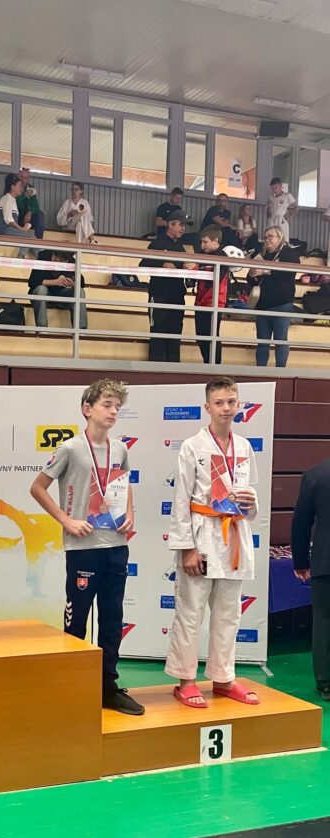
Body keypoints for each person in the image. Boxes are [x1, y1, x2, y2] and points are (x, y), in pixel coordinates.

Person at [29, 378, 143, 716]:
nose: (113, 411)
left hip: (116, 545)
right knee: (76, 619)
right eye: (107, 405)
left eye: (117, 407)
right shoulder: (71, 448)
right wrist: (66, 520)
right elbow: (37, 488)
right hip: (84, 548)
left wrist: (130, 513)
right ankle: (73, 685)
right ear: (87, 409)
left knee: (112, 619)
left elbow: (125, 484)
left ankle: (107, 686)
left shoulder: (120, 449)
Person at [164, 376, 259, 709]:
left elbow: (249, 499)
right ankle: (186, 680)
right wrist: (187, 548)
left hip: (233, 538)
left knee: (228, 614)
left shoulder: (244, 447)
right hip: (202, 535)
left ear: (239, 404)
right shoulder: (193, 446)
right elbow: (181, 499)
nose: (226, 408)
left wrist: (251, 503)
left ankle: (223, 678)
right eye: (219, 403)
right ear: (207, 407)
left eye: (231, 401)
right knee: (190, 612)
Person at [292, 457, 330, 699]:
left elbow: (301, 522)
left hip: (325, 561)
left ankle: (325, 682)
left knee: (324, 619)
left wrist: (300, 561)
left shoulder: (316, 474)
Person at [140, 210, 188, 361]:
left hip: (177, 296)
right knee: (158, 332)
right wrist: (162, 264)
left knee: (175, 334)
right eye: (180, 224)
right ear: (170, 224)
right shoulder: (157, 243)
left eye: (184, 225)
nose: (183, 228)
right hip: (160, 295)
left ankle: (174, 368)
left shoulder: (181, 247)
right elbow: (143, 264)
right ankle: (156, 367)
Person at [247, 226, 297, 368]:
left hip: (282, 303)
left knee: (280, 340)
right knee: (262, 341)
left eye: (271, 236)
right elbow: (250, 279)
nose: (267, 239)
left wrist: (265, 271)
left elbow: (289, 273)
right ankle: (261, 370)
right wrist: (252, 274)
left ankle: (280, 371)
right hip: (263, 303)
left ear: (280, 237)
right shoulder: (261, 254)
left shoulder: (288, 253)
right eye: (266, 237)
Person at [190, 226, 229, 364]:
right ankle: (208, 362)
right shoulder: (202, 255)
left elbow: (215, 278)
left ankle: (214, 364)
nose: (202, 245)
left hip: (214, 301)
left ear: (215, 241)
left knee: (211, 335)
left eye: (205, 242)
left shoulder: (222, 257)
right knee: (201, 335)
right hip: (201, 300)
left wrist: (195, 268)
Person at [28, 249, 87, 330]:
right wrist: (56, 282)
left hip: (62, 295)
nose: (62, 263)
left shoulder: (71, 261)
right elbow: (32, 281)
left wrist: (73, 284)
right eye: (60, 260)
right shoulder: (42, 259)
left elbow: (81, 282)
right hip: (44, 296)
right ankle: (42, 329)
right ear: (54, 255)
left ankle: (81, 330)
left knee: (79, 291)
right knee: (41, 289)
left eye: (64, 261)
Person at [0, 172, 34, 254]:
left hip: (9, 230)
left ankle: (42, 255)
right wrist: (22, 229)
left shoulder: (12, 200)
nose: (21, 188)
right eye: (19, 186)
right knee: (29, 236)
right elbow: (9, 221)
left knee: (33, 236)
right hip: (4, 231)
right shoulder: (8, 198)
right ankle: (21, 256)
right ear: (12, 187)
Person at [16, 167, 46, 242]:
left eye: (25, 178)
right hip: (17, 215)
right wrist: (24, 195)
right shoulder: (14, 186)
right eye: (21, 177)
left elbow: (35, 205)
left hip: (27, 216)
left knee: (40, 215)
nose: (23, 180)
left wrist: (30, 212)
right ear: (18, 176)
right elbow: (14, 203)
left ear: (28, 178)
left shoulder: (31, 188)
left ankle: (38, 241)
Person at [266, 177, 298, 241]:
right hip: (272, 221)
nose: (274, 190)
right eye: (272, 188)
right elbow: (268, 215)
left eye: (276, 188)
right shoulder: (271, 198)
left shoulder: (287, 195)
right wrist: (268, 206)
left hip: (281, 221)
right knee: (271, 240)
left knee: (282, 240)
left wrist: (290, 217)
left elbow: (296, 207)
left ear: (280, 186)